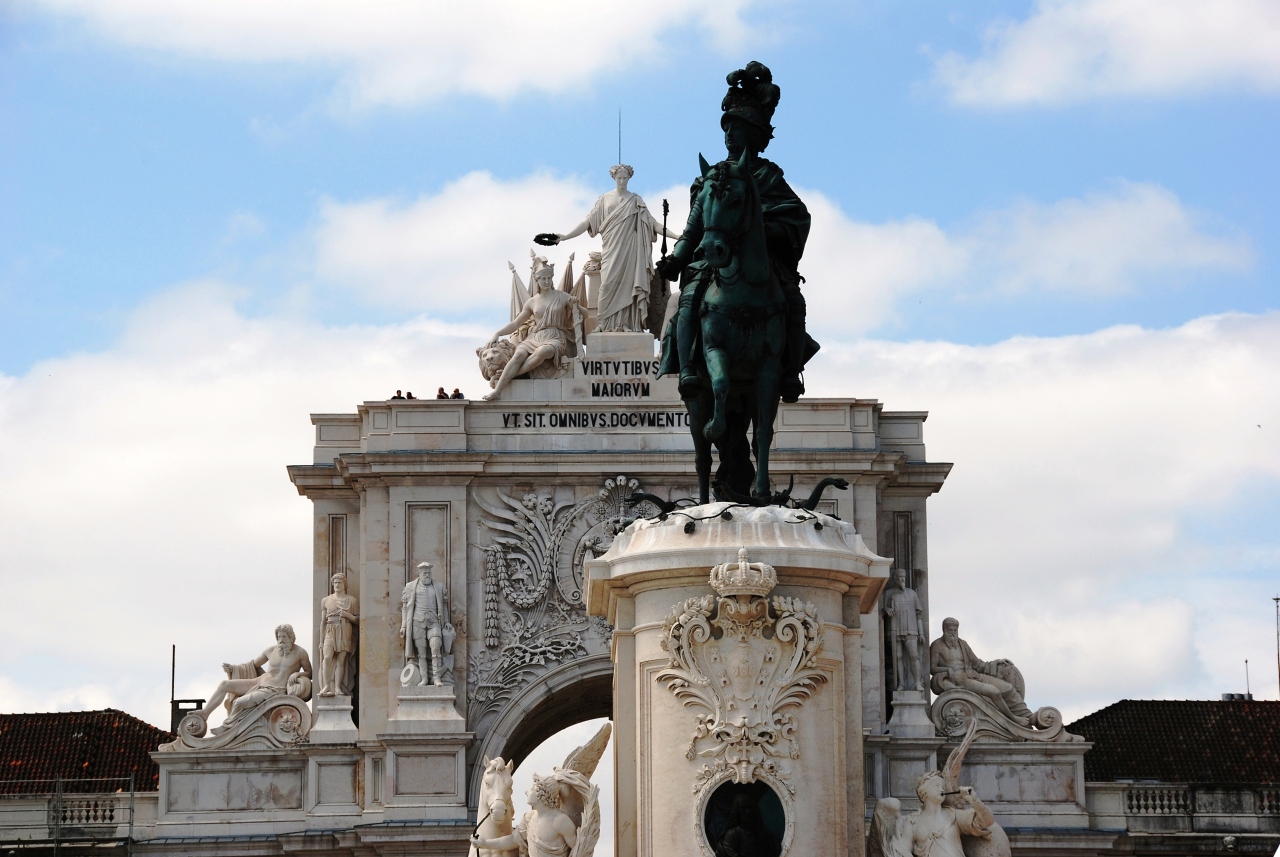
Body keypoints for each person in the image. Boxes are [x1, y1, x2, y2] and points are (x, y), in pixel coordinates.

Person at [657, 61, 816, 402]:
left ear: (753, 135)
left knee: (793, 300)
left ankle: (791, 372)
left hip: (762, 262)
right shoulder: (711, 178)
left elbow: (797, 217)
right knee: (687, 301)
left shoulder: (768, 177)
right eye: (727, 127)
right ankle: (686, 368)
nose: (729, 133)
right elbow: (694, 227)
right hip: (713, 260)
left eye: (737, 127)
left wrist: (764, 229)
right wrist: (676, 259)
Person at [542, 164, 679, 333]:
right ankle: (604, 323)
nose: (622, 181)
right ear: (614, 178)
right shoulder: (604, 200)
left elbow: (654, 224)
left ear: (629, 178)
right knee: (606, 286)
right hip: (611, 251)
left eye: (625, 178)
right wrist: (565, 236)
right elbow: (587, 223)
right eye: (619, 178)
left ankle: (628, 324)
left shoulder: (636, 201)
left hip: (630, 252)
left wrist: (676, 236)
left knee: (629, 287)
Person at [482, 263, 583, 401]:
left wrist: (576, 305)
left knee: (544, 351)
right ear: (537, 280)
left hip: (555, 337)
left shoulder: (563, 296)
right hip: (535, 337)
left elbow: (585, 314)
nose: (546, 281)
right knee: (518, 355)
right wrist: (498, 333)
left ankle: (511, 375)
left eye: (549, 278)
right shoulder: (532, 302)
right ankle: (497, 391)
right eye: (543, 279)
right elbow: (516, 323)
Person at [930, 618, 1032, 726]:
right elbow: (932, 668)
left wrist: (996, 662)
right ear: (944, 630)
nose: (953, 634)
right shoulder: (937, 645)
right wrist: (946, 669)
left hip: (973, 674)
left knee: (1008, 687)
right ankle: (1013, 719)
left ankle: (1029, 716)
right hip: (960, 680)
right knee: (994, 692)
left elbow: (977, 664)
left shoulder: (962, 644)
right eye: (950, 630)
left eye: (955, 630)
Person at [199, 624, 312, 721]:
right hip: (260, 682)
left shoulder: (300, 653)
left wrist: (297, 674)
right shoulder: (271, 650)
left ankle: (229, 729)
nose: (281, 640)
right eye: (279, 637)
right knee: (224, 684)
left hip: (275, 689)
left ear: (291, 637)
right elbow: (252, 665)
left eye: (284, 636)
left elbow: (309, 673)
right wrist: (233, 669)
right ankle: (205, 714)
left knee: (239, 703)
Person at [471, 774, 579, 857]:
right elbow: (512, 840)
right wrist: (485, 843)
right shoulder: (529, 818)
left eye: (531, 789)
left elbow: (578, 851)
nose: (526, 792)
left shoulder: (561, 821)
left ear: (541, 793)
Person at [400, 562, 445, 686]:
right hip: (417, 623)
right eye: (424, 573)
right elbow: (405, 608)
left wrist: (445, 621)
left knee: (435, 646)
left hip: (434, 622)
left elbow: (444, 607)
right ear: (419, 574)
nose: (427, 575)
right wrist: (404, 625)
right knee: (422, 654)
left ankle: (437, 678)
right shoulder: (410, 587)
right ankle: (424, 678)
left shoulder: (439, 587)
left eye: (429, 573)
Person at [883, 568, 924, 691]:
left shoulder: (912, 593)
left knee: (914, 655)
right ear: (895, 579)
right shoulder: (889, 593)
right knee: (898, 657)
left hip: (911, 628)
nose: (902, 579)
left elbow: (919, 615)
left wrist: (921, 632)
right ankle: (901, 683)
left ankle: (917, 682)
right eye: (900, 577)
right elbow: (881, 609)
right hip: (895, 628)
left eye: (903, 577)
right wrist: (887, 609)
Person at [319, 574, 358, 697]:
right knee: (327, 658)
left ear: (344, 584)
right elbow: (323, 622)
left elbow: (357, 620)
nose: (337, 585)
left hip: (344, 629)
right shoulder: (326, 600)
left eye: (339, 583)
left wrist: (347, 615)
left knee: (341, 661)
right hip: (330, 630)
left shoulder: (352, 600)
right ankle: (326, 685)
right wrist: (321, 641)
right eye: (335, 583)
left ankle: (337, 687)